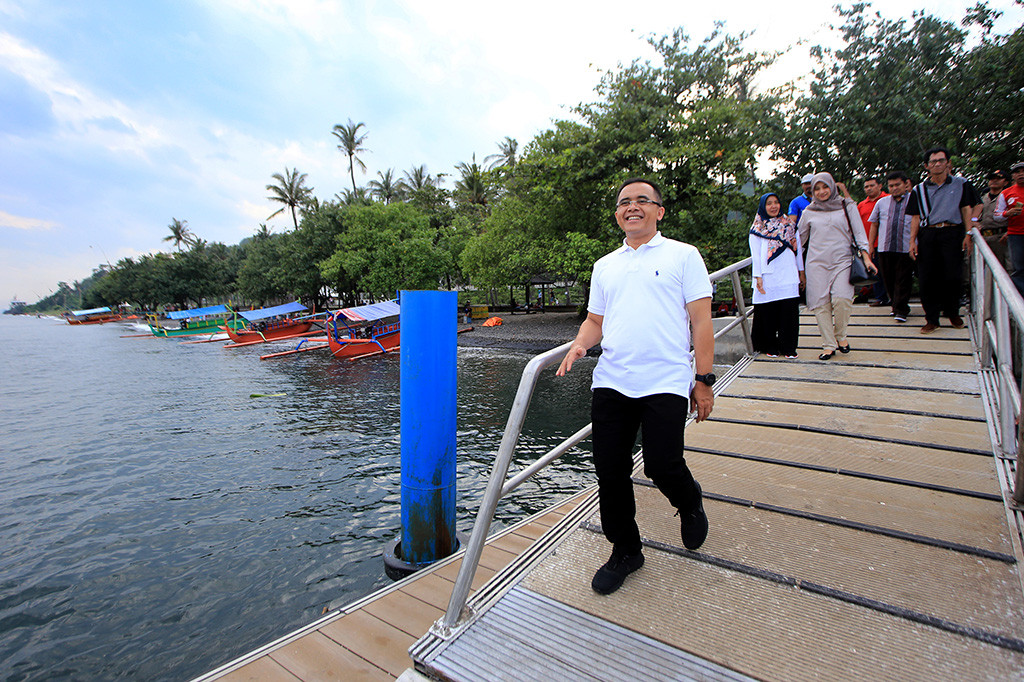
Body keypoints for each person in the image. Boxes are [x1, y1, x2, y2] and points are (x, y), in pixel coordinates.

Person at [556, 177, 714, 596]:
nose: (633, 206)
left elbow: (701, 322)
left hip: (666, 379)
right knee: (610, 472)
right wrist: (579, 346)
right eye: (625, 202)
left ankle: (688, 501)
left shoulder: (684, 255)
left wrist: (702, 380)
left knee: (662, 464)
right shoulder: (605, 265)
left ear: (659, 211)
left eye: (643, 200)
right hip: (613, 380)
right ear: (617, 215)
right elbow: (596, 322)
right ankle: (626, 550)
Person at [798, 172, 875, 360]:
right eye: (817, 188)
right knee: (821, 305)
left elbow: (859, 233)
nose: (822, 191)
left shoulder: (846, 206)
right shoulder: (809, 212)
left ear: (832, 187)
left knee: (842, 299)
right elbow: (798, 241)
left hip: (843, 261)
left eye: (825, 187)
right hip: (816, 263)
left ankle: (841, 335)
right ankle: (828, 344)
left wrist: (867, 259)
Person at [907, 147, 982, 333]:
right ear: (926, 166)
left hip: (952, 232)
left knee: (953, 275)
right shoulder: (919, 189)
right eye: (933, 162)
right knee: (927, 277)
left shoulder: (961, 184)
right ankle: (931, 318)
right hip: (928, 234)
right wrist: (911, 242)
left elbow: (967, 208)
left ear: (948, 163)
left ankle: (952, 312)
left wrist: (968, 232)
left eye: (941, 160)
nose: (937, 164)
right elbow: (915, 217)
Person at [748, 192, 805, 357]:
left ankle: (788, 348)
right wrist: (758, 276)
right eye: (769, 203)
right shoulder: (757, 228)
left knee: (789, 314)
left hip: (788, 273)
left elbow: (798, 250)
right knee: (769, 313)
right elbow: (756, 255)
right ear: (763, 207)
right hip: (768, 276)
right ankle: (770, 347)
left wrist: (801, 273)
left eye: (776, 202)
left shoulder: (790, 225)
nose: (773, 206)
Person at [868, 171, 915, 323]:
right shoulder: (882, 202)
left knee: (903, 278)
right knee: (888, 278)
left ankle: (901, 309)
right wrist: (870, 245)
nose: (894, 188)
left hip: (905, 247)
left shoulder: (914, 201)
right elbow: (874, 224)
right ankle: (895, 306)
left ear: (905, 184)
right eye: (891, 186)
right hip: (885, 247)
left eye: (897, 185)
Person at [858, 177, 890, 307]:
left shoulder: (888, 199)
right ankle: (880, 297)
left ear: (880, 186)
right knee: (875, 272)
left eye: (872, 185)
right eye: (866, 186)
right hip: (869, 245)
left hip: (886, 242)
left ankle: (894, 297)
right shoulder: (862, 205)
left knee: (889, 272)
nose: (869, 188)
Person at [995, 162, 1024, 295]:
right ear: (1013, 176)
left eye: (1023, 171)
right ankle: (1020, 303)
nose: (1021, 174)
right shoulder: (1006, 193)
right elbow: (997, 215)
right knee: (1018, 269)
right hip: (1016, 235)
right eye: (1017, 172)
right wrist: (1008, 213)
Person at [979, 169, 1009, 265]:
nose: (994, 181)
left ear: (1005, 182)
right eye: (992, 179)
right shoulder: (982, 198)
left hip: (1001, 236)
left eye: (998, 179)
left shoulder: (1008, 197)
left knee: (1005, 267)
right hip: (983, 236)